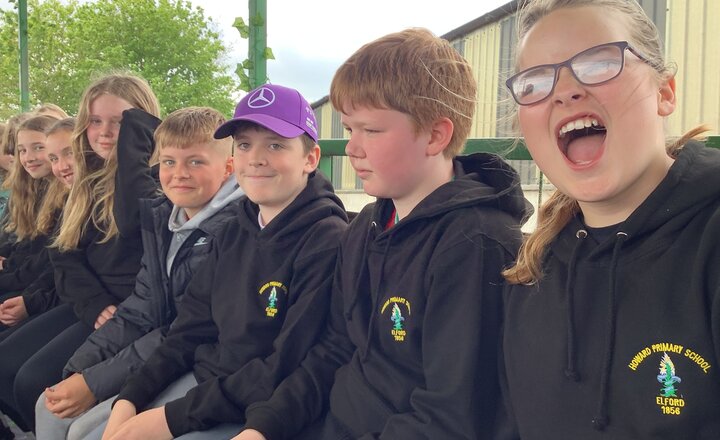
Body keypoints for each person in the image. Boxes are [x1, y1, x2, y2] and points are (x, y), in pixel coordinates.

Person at [235, 28, 530, 440]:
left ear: (435, 135)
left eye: (370, 131)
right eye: (348, 129)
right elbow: (335, 349)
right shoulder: (365, 227)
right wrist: (264, 426)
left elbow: (452, 417)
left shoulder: (476, 245)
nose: (352, 148)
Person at [497, 0, 720, 438]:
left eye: (599, 63)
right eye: (536, 81)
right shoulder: (532, 271)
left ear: (664, 93)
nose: (564, 91)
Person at [97, 83, 348, 440]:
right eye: (244, 145)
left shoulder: (326, 240)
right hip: (206, 383)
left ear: (310, 159)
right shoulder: (234, 229)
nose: (255, 158)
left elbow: (287, 366)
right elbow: (189, 328)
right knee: (87, 430)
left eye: (275, 145)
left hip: (254, 407)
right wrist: (133, 394)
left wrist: (172, 418)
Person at [34, 106, 244, 440]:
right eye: (169, 162)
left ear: (228, 168)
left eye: (196, 162)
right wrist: (81, 369)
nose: (179, 174)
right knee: (50, 407)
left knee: (88, 432)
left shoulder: (235, 228)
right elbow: (141, 307)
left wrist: (95, 382)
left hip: (201, 359)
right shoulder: (164, 218)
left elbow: (190, 330)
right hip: (163, 351)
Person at [6, 73, 161, 430]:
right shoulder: (88, 181)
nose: (105, 132)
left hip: (131, 310)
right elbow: (64, 254)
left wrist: (137, 138)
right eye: (94, 121)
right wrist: (92, 303)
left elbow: (133, 221)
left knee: (33, 382)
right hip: (91, 302)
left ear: (142, 125)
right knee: (9, 366)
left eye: (119, 121)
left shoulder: (154, 177)